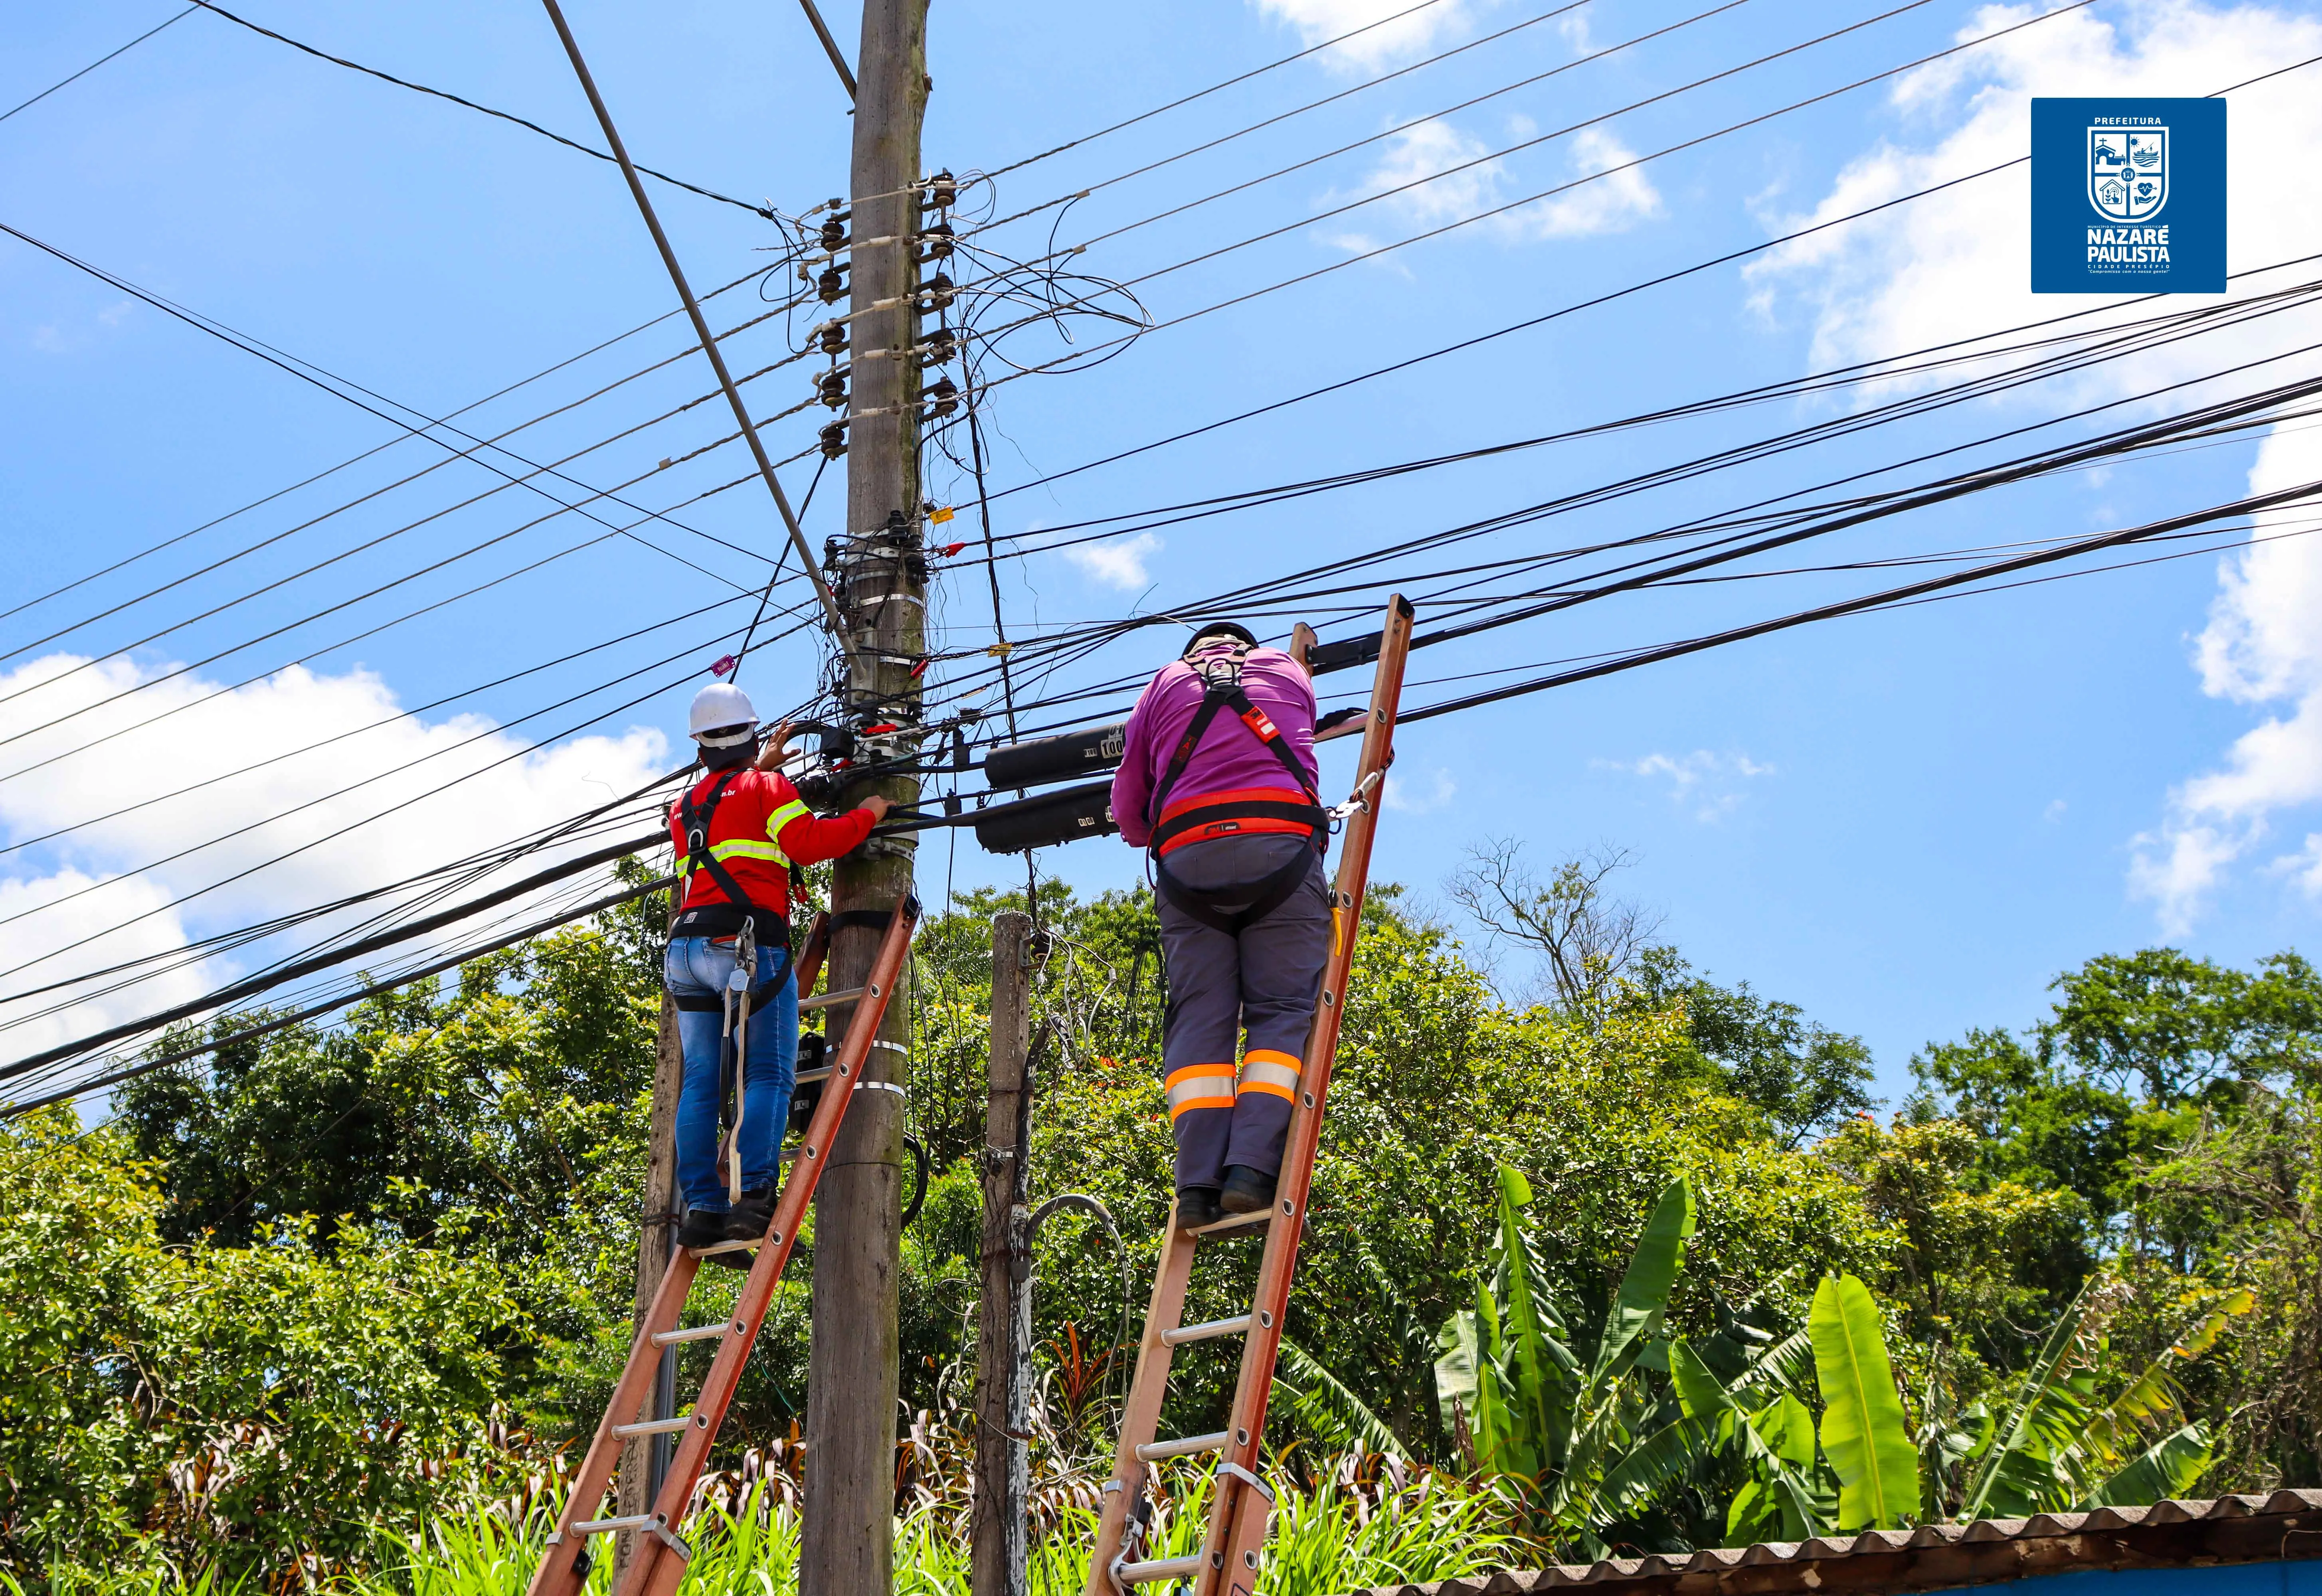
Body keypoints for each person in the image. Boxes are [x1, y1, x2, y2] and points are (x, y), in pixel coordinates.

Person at [1110, 622, 1330, 1232]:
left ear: (1193, 655)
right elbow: (1299, 743)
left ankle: (1198, 1188)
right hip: (1280, 854)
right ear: (1245, 649)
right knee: (1282, 1010)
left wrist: (1149, 830)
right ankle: (1252, 1173)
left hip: (1187, 867)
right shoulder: (1288, 673)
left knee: (1201, 1018)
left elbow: (1129, 803)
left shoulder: (1162, 684)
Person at [666, 681, 890, 1259]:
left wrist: (761, 771)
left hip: (687, 952)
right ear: (755, 734)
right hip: (746, 944)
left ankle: (703, 1211)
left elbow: (728, 819)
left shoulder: (685, 805)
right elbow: (812, 843)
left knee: (701, 1081)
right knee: (767, 1075)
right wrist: (869, 814)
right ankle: (753, 1201)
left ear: (699, 751)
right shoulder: (769, 788)